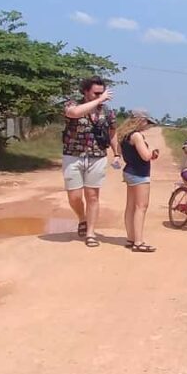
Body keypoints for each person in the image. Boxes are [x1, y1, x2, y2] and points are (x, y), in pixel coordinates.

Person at [62, 76, 119, 248]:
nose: (100, 96)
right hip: (73, 155)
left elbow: (112, 131)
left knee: (93, 196)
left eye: (102, 93)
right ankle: (82, 218)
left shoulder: (107, 111)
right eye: (96, 93)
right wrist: (99, 101)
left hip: (97, 156)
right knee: (74, 196)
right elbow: (74, 114)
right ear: (85, 91)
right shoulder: (72, 104)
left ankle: (90, 232)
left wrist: (116, 153)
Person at [118, 111, 160, 252]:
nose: (147, 125)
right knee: (141, 207)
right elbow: (145, 156)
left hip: (129, 171)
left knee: (130, 206)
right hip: (139, 174)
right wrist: (152, 151)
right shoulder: (137, 136)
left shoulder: (124, 135)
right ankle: (138, 242)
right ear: (140, 121)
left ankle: (131, 238)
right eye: (146, 122)